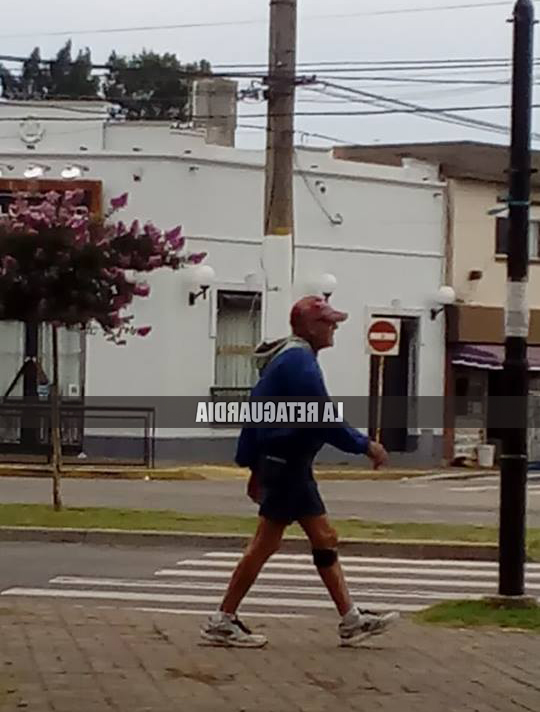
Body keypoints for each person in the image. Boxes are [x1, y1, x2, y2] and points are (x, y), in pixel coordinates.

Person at [201, 296, 398, 648]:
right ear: (310, 327)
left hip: (287, 465)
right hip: (287, 466)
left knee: (320, 538)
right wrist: (365, 445)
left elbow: (257, 412)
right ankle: (223, 619)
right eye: (329, 322)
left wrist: (253, 465)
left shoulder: (289, 358)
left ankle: (350, 619)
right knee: (270, 543)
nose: (334, 327)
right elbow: (324, 418)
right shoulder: (299, 363)